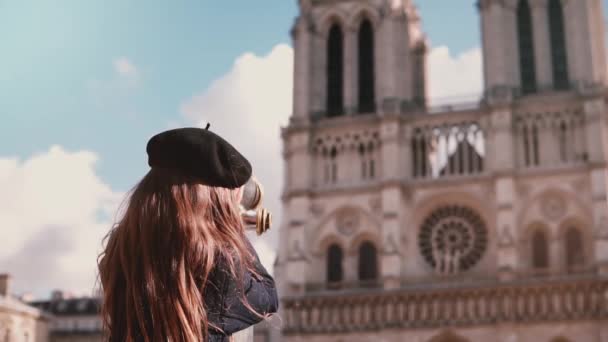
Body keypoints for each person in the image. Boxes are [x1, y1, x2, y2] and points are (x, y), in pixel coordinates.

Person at [97, 127, 279, 342]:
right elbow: (267, 296)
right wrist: (231, 226)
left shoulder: (121, 248)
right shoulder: (217, 262)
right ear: (214, 199)